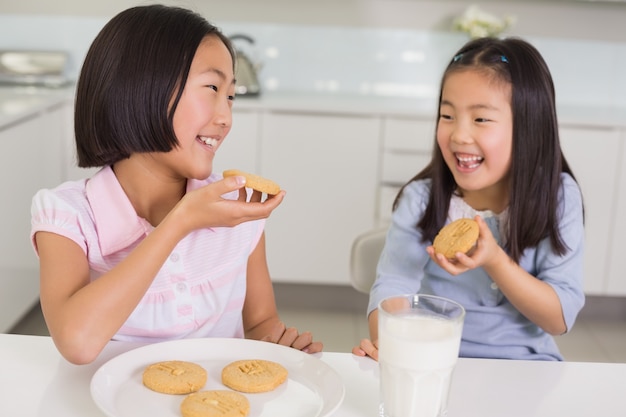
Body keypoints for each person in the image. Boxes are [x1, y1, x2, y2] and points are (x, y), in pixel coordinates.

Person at [30, 5, 322, 365]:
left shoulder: (237, 209)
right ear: (139, 89)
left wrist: (276, 348)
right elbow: (77, 343)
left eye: (230, 96)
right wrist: (180, 223)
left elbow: (261, 321)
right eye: (212, 88)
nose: (225, 117)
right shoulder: (67, 216)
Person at [353, 37, 585, 361]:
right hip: (435, 357)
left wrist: (495, 261)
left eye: (480, 119)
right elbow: (393, 286)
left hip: (528, 364)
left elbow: (559, 318)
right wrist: (392, 344)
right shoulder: (422, 199)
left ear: (529, 127)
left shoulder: (558, 198)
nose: (459, 134)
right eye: (447, 116)